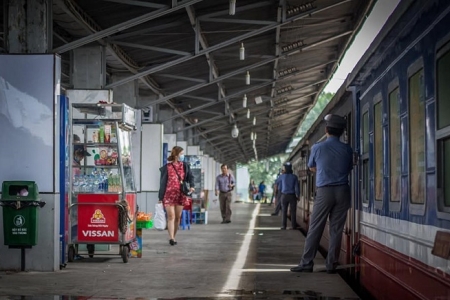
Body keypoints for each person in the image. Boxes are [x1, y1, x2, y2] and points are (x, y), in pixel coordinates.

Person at [290, 114, 353, 274]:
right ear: (341, 132)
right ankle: (331, 265)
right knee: (336, 229)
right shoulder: (347, 149)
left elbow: (311, 167)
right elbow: (349, 167)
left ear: (326, 130)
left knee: (315, 227)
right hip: (343, 190)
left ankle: (306, 263)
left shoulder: (318, 148)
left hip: (325, 191)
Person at [158, 146, 195, 246]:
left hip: (181, 194)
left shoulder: (185, 166)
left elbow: (190, 177)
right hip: (168, 194)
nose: (183, 155)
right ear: (177, 154)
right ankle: (171, 238)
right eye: (182, 153)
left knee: (178, 217)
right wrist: (160, 197)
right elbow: (162, 183)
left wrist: (192, 186)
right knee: (171, 216)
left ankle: (173, 236)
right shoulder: (167, 167)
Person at [277, 162, 299, 229]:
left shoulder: (282, 176)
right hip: (292, 196)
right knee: (293, 211)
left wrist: (282, 174)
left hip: (284, 196)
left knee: (284, 211)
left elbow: (276, 181)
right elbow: (297, 187)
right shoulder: (294, 177)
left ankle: (284, 226)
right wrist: (298, 195)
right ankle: (293, 226)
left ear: (285, 169)